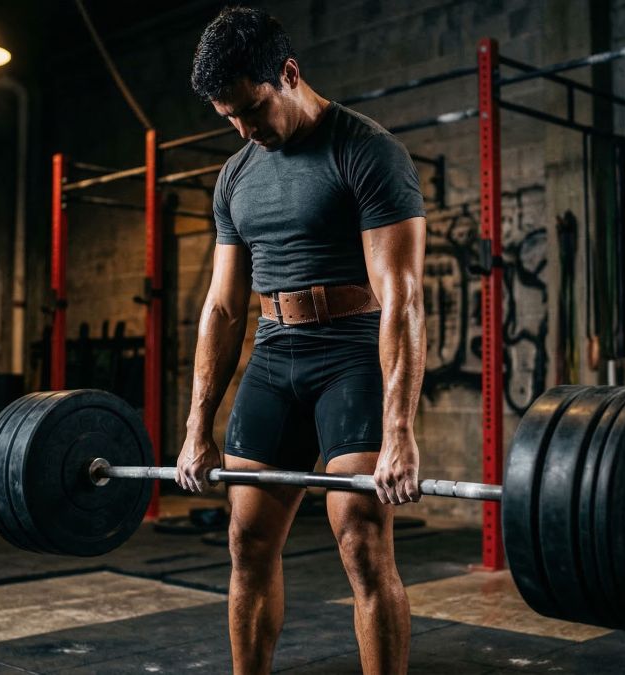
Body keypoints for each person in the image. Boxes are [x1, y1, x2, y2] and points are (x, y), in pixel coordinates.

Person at [177, 6, 427, 674]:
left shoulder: (366, 151)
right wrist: (197, 425)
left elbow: (402, 299)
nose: (245, 129)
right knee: (247, 543)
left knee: (362, 540)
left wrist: (399, 430)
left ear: (288, 73)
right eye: (229, 118)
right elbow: (223, 307)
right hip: (274, 355)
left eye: (252, 109)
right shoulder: (235, 177)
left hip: (351, 356)